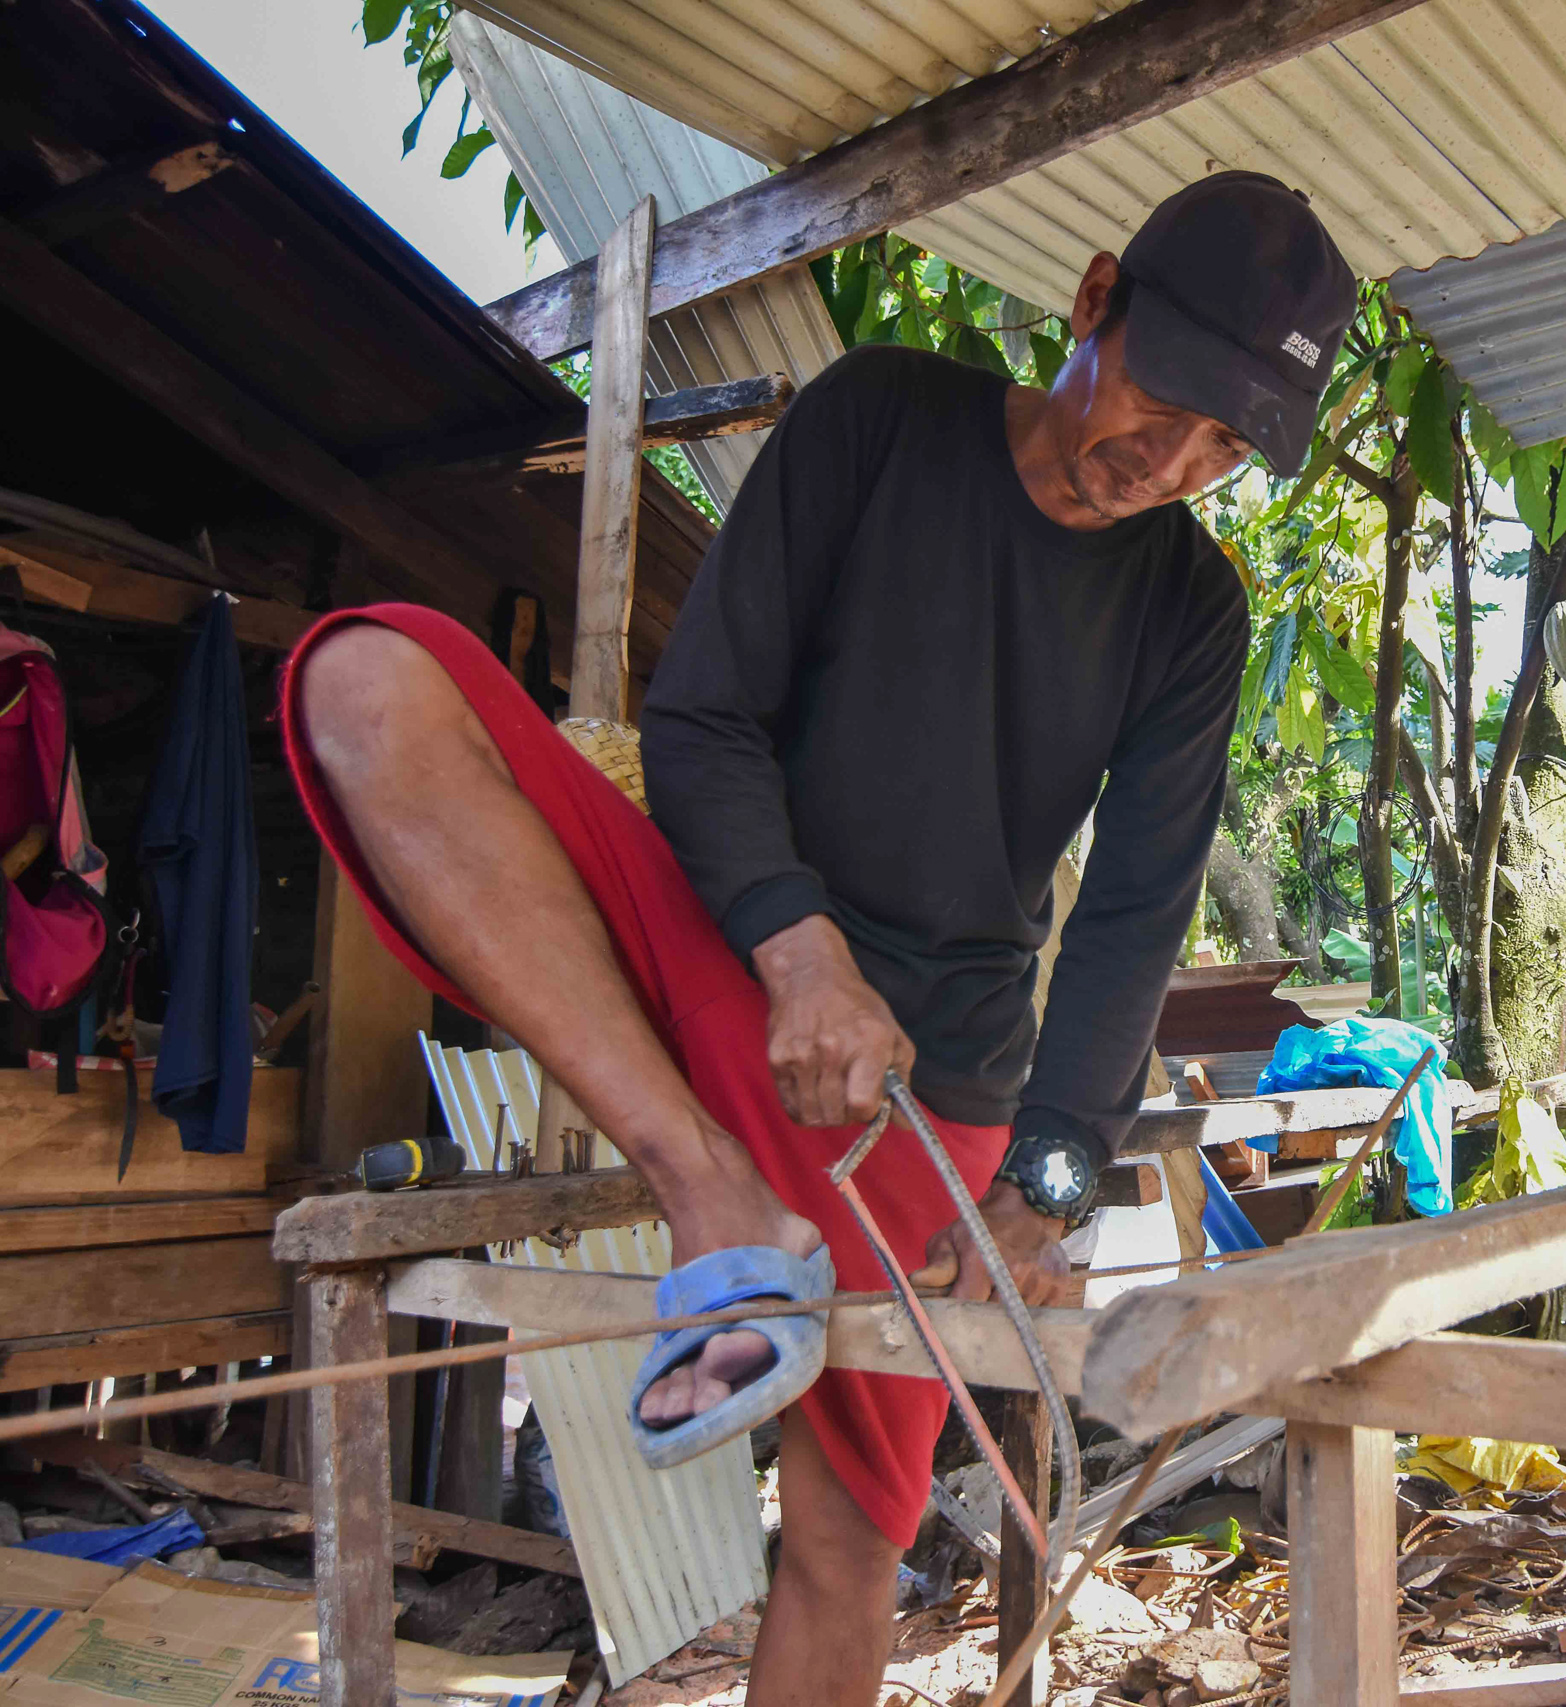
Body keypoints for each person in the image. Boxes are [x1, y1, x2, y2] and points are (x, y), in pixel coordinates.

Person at [280, 171, 1354, 1700]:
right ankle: (714, 1193)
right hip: (721, 956)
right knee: (366, 677)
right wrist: (797, 950)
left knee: (849, 1546)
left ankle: (768, 1256)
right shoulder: (881, 418)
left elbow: (1134, 913)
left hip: (932, 1089)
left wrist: (1043, 1196)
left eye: (1227, 444)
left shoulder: (1192, 608)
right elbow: (705, 713)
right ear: (1096, 300)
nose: (1171, 461)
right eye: (1171, 399)